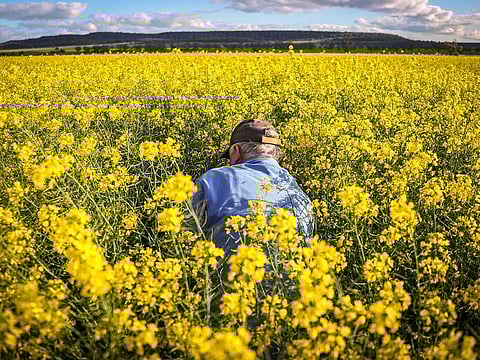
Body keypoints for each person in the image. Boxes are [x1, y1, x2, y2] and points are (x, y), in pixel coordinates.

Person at [185, 119, 313, 254]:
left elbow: (186, 234)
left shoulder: (213, 179)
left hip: (228, 272)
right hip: (293, 272)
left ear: (235, 151)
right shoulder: (298, 193)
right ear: (275, 153)